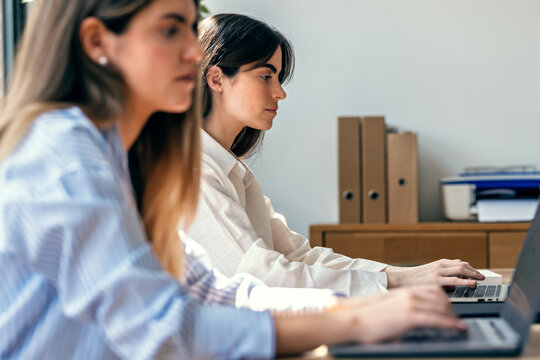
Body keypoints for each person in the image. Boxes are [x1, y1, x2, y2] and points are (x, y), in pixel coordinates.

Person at [0, 1, 465, 358]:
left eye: (188, 27)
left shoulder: (120, 159)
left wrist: (365, 307)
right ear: (98, 41)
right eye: (169, 29)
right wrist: (357, 320)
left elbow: (213, 292)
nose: (194, 52)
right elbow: (166, 332)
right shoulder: (66, 158)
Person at [184, 13, 485, 296]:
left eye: (279, 79)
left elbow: (299, 258)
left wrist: (405, 276)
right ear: (216, 79)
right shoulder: (195, 173)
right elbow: (264, 277)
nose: (280, 92)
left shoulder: (233, 172)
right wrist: (396, 280)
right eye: (266, 76)